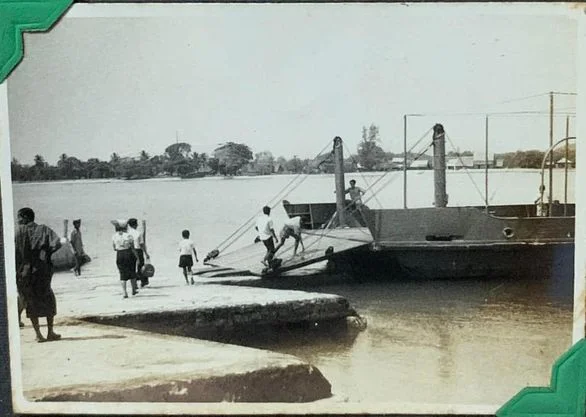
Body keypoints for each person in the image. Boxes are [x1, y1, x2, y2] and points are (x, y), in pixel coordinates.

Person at [15, 207, 63, 342]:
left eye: (19, 217)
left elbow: (15, 253)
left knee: (31, 301)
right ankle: (50, 332)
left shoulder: (19, 232)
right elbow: (57, 243)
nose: (17, 220)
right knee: (48, 298)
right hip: (42, 269)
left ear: (25, 217)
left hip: (25, 271)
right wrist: (47, 253)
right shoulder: (43, 229)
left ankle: (38, 335)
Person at [112, 220, 138, 298]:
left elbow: (114, 248)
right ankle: (133, 290)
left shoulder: (114, 236)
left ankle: (124, 292)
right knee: (132, 271)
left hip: (119, 254)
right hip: (128, 253)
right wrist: (137, 257)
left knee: (122, 273)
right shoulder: (129, 235)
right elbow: (132, 247)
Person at [127, 218, 150, 288]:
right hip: (138, 250)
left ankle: (134, 284)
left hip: (129, 251)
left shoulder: (127, 233)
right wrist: (146, 253)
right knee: (141, 267)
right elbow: (142, 244)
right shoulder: (138, 233)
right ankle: (143, 281)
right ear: (135, 225)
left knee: (132, 267)